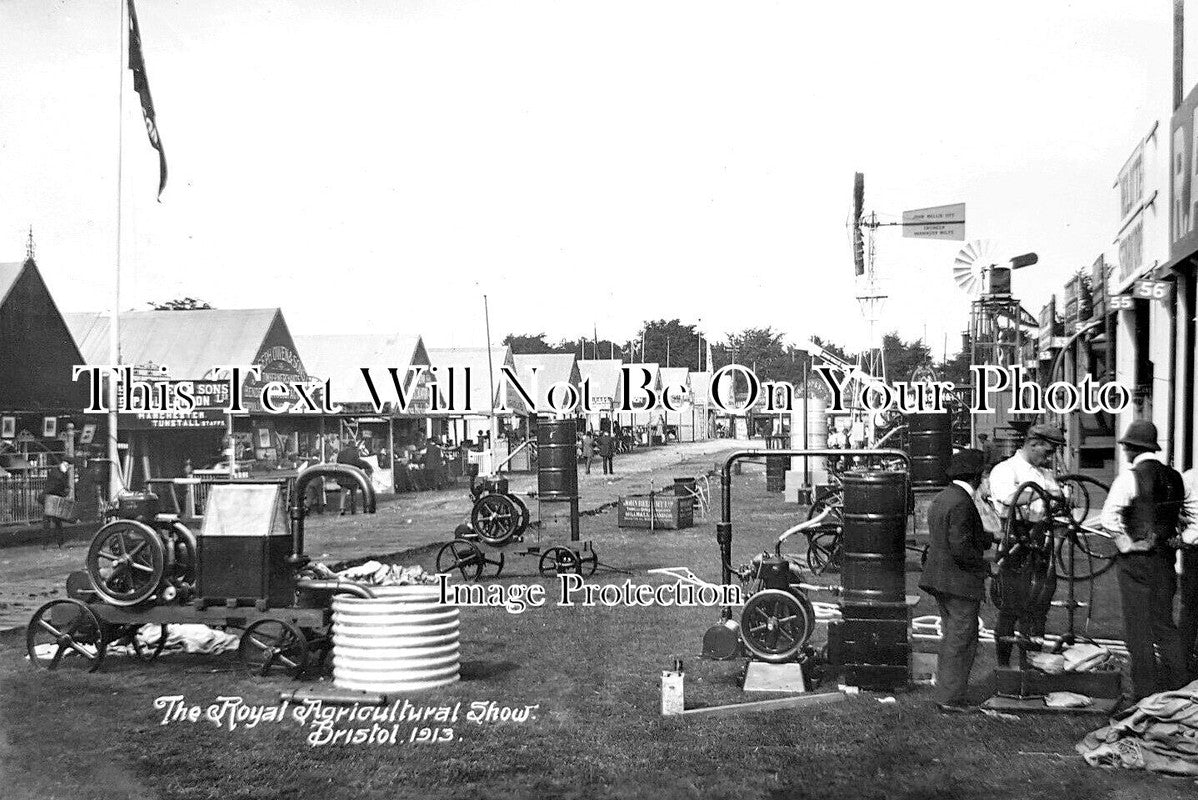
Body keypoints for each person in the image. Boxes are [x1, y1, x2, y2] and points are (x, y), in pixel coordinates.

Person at [1100, 421, 1196, 700]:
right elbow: (1186, 515)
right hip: (1165, 560)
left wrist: (1127, 544)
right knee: (1165, 626)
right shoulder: (1176, 478)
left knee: (1138, 630)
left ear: (1130, 449)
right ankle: (1182, 692)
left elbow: (1108, 519)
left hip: (1137, 563)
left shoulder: (1129, 477)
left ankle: (1145, 695)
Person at [987, 423, 1064, 668]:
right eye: (1048, 451)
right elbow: (1009, 498)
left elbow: (1058, 502)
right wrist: (1043, 494)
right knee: (1011, 608)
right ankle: (1004, 668)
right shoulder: (1005, 469)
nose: (1050, 457)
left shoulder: (1045, 473)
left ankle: (1033, 666)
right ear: (1033, 444)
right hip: (1016, 543)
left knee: (1039, 608)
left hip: (1042, 545)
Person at [919, 449, 989, 712]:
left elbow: (953, 534)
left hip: (940, 579)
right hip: (959, 582)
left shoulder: (944, 497)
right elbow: (960, 547)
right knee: (961, 640)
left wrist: (986, 539)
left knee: (952, 637)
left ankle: (947, 693)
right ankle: (950, 699)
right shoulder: (962, 502)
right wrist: (984, 564)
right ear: (976, 476)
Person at [1181, 469, 1198, 673]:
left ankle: (1183, 663)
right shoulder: (1188, 478)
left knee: (1190, 608)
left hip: (1194, 550)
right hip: (1193, 550)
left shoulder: (1188, 477)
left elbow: (1172, 508)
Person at [335, 440, 373, 514]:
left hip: (343, 476)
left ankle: (341, 508)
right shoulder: (355, 453)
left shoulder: (341, 453)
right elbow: (358, 462)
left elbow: (338, 463)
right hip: (352, 477)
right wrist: (367, 466)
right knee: (353, 493)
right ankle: (353, 510)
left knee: (343, 492)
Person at [42, 456, 73, 548]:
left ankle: (55, 543)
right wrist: (64, 492)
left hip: (54, 498)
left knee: (55, 522)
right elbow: (56, 485)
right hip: (50, 498)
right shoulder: (57, 473)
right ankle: (48, 544)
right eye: (66, 465)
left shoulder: (60, 472)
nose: (67, 467)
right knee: (50, 522)